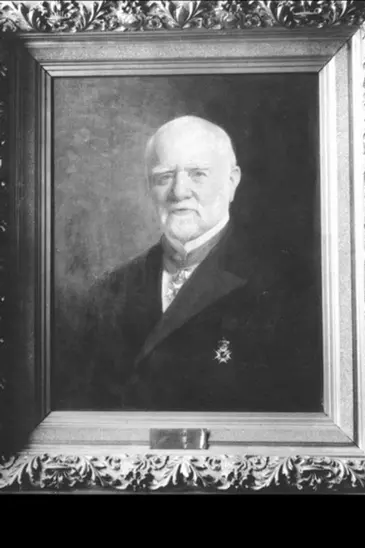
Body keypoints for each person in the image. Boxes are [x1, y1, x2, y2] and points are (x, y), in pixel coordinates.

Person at [64, 115, 322, 412]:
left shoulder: (285, 286)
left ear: (232, 182)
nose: (178, 192)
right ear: (149, 187)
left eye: (197, 174)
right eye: (164, 177)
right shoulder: (109, 292)